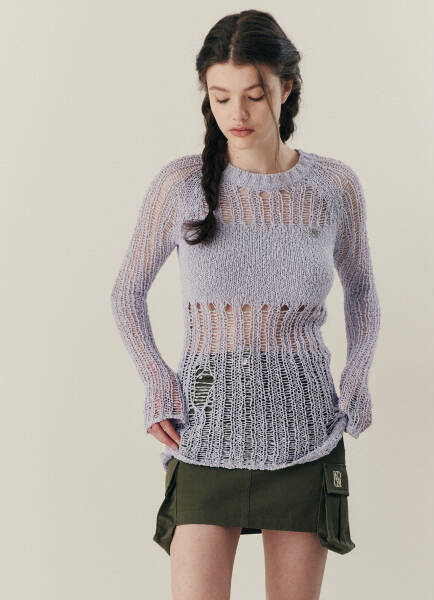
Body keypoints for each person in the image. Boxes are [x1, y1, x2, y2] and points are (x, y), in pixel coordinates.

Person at [110, 9, 381, 600]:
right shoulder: (181, 185)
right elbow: (126, 291)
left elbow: (362, 291)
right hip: (205, 425)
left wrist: (356, 376)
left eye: (254, 96)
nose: (236, 113)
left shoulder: (333, 187)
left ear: (287, 89)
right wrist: (157, 379)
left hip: (306, 428)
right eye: (220, 97)